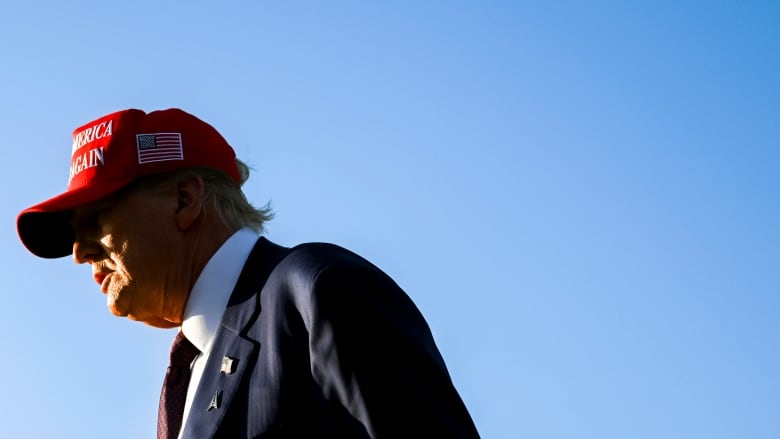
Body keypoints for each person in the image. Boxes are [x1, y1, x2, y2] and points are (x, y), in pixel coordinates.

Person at [16, 108, 481, 438]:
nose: (78, 253)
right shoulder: (188, 371)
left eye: (95, 219)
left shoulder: (316, 290)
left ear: (184, 200)